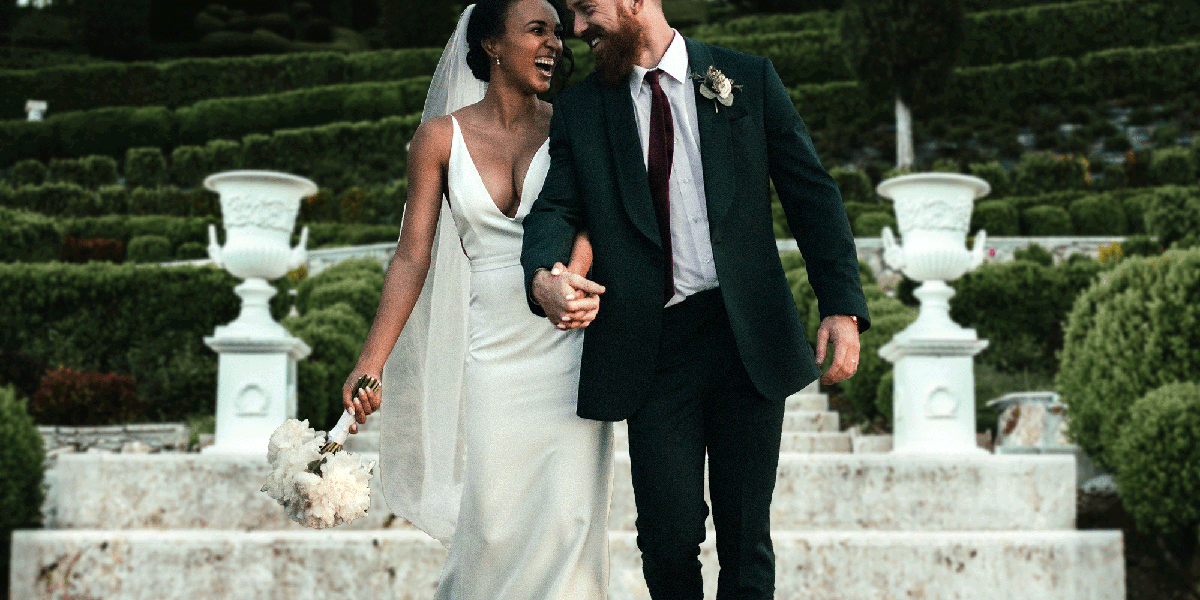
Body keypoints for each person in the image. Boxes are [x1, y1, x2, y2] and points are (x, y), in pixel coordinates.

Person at [521, 0, 871, 598]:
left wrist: (840, 305)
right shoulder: (582, 109)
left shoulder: (749, 78)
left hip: (745, 339)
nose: (577, 30)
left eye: (585, 10)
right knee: (667, 535)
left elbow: (811, 193)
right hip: (651, 346)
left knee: (746, 537)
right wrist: (543, 277)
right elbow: (558, 204)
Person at [338, 2, 613, 598]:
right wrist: (371, 361)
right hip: (492, 356)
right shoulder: (439, 137)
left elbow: (597, 215)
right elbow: (414, 256)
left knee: (569, 522)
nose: (555, 45)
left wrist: (574, 279)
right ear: (491, 43)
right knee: (490, 527)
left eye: (558, 34)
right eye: (537, 30)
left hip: (569, 345)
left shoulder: (570, 120)